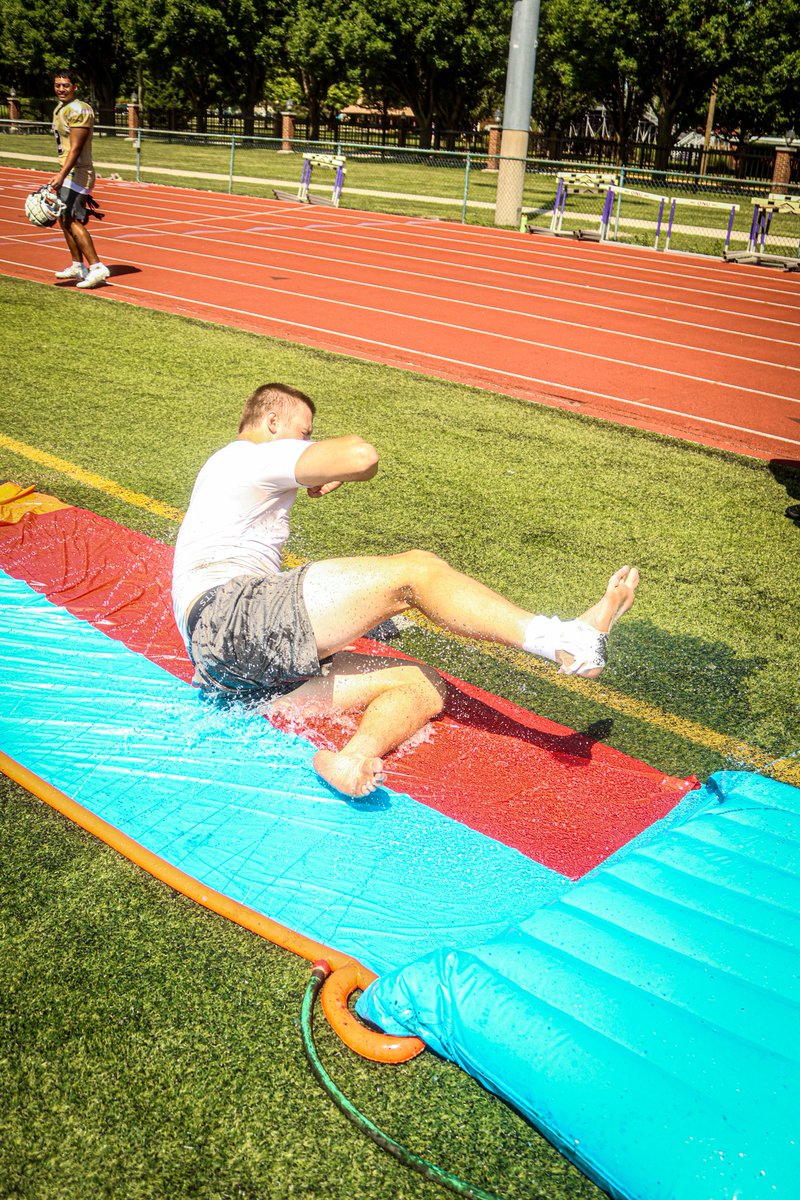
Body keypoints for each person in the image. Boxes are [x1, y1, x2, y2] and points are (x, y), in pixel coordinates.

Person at [172, 383, 639, 798]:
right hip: (228, 616)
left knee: (422, 684)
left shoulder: (236, 474)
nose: (309, 443)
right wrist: (324, 463)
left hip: (228, 665)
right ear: (272, 422)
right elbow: (361, 456)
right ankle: (563, 639)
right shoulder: (247, 455)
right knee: (416, 571)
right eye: (305, 432)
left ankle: (350, 759)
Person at [48, 70, 109, 290]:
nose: (60, 89)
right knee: (64, 219)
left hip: (78, 172)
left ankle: (96, 267)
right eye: (57, 85)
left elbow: (76, 148)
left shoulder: (80, 110)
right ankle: (77, 265)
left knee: (72, 220)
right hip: (69, 171)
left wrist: (62, 174)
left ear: (75, 87)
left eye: (65, 85)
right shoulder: (60, 108)